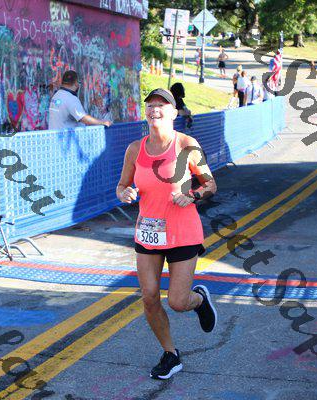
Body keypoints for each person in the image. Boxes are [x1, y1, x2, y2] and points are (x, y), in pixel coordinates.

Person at [116, 88, 218, 380]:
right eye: (150, 105)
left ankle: (199, 300)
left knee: (177, 301)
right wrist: (124, 193)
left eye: (162, 105)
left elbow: (210, 184)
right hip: (149, 232)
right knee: (149, 297)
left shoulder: (186, 144)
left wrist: (192, 195)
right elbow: (122, 185)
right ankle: (170, 354)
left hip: (182, 232)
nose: (155, 109)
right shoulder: (135, 149)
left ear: (174, 112)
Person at [48, 70, 112, 130]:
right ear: (76, 83)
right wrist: (102, 122)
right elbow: (83, 118)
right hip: (66, 137)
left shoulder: (57, 95)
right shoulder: (70, 98)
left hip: (56, 135)